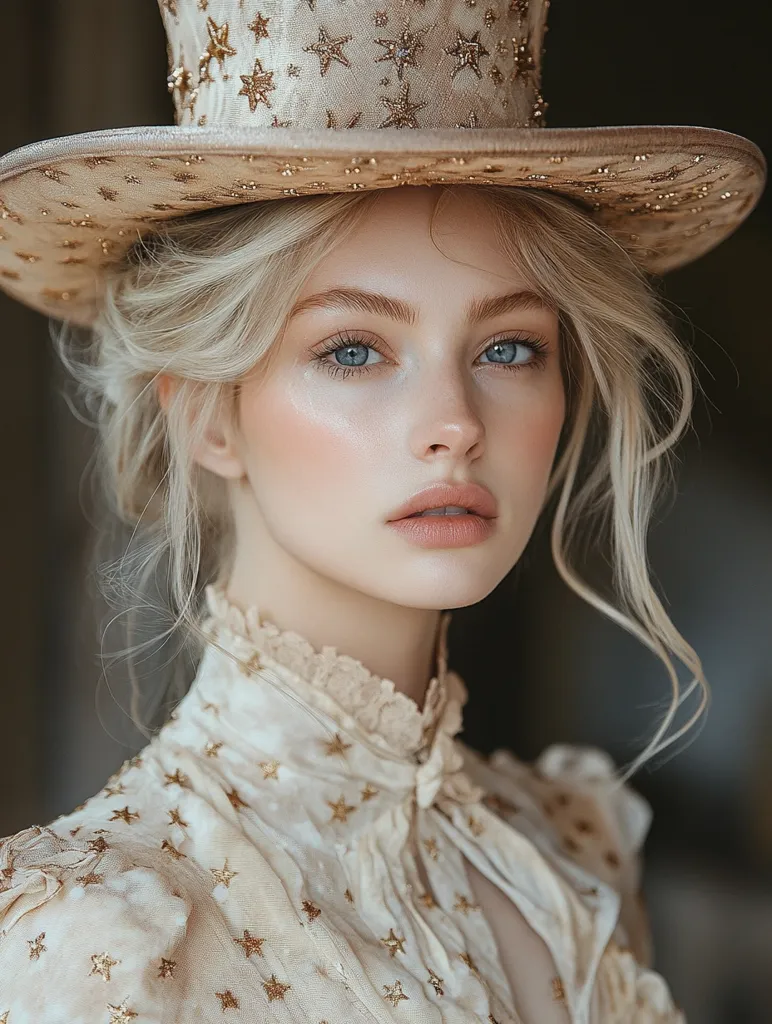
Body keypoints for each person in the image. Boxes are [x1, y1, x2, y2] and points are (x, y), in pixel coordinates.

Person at [0, 0, 765, 1021]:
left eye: (508, 348)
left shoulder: (572, 855)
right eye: (353, 350)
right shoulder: (99, 938)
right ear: (206, 416)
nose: (455, 424)